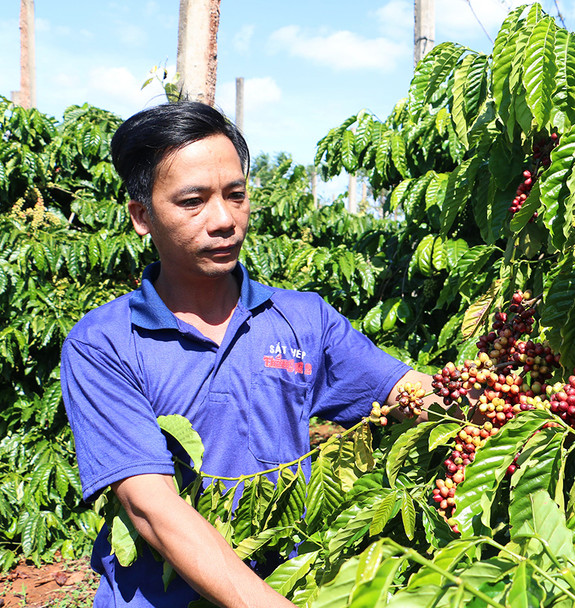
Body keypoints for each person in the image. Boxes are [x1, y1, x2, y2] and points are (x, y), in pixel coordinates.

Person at [60, 100, 433, 608]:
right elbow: (150, 506)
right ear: (141, 216)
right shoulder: (103, 342)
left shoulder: (304, 318)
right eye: (193, 202)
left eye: (236, 196)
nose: (224, 220)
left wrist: (504, 404)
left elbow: (407, 391)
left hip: (290, 582)